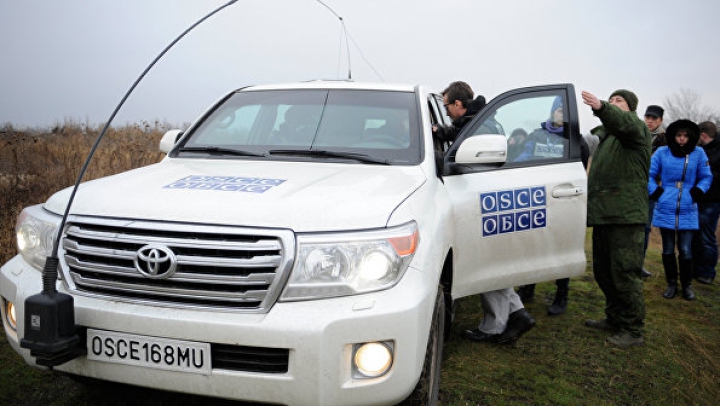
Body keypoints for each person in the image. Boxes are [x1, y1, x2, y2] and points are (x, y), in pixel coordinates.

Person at [434, 81, 536, 344]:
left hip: (484, 201)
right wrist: (440, 131)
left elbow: (470, 161)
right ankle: (518, 313)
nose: (445, 111)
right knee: (494, 260)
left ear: (458, 104)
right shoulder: (478, 121)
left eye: (446, 105)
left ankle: (493, 327)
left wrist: (440, 160)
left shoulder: (483, 127)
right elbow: (458, 134)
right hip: (488, 199)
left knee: (486, 263)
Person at [582, 89, 650, 348]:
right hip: (604, 215)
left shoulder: (636, 128)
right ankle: (614, 318)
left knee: (624, 273)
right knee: (604, 272)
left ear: (630, 108)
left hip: (625, 216)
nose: (612, 103)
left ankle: (633, 330)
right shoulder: (608, 137)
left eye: (618, 100)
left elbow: (623, 122)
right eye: (611, 100)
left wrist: (601, 107)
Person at [515, 97, 589, 315]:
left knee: (562, 246)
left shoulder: (576, 140)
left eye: (565, 112)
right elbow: (522, 159)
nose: (561, 114)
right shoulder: (536, 135)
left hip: (562, 201)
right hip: (536, 201)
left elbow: (581, 168)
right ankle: (528, 288)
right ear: (552, 112)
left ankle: (561, 294)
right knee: (533, 244)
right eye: (558, 110)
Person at [649, 119, 712, 300]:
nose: (682, 139)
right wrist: (657, 193)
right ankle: (671, 284)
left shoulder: (699, 153)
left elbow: (706, 177)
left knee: (685, 249)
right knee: (668, 248)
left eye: (685, 135)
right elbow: (649, 175)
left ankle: (687, 286)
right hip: (665, 204)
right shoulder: (662, 152)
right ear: (673, 136)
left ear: (691, 136)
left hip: (688, 206)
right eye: (678, 135)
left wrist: (697, 192)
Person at [692, 121, 720, 285]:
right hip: (698, 198)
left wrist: (705, 174)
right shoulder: (701, 150)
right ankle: (695, 269)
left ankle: (708, 272)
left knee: (707, 236)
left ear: (703, 135)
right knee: (695, 235)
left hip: (712, 200)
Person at [640, 104, 667, 278]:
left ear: (660, 120)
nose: (650, 121)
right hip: (632, 187)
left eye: (654, 118)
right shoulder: (638, 133)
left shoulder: (665, 140)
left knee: (645, 228)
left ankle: (639, 264)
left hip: (650, 189)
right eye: (648, 117)